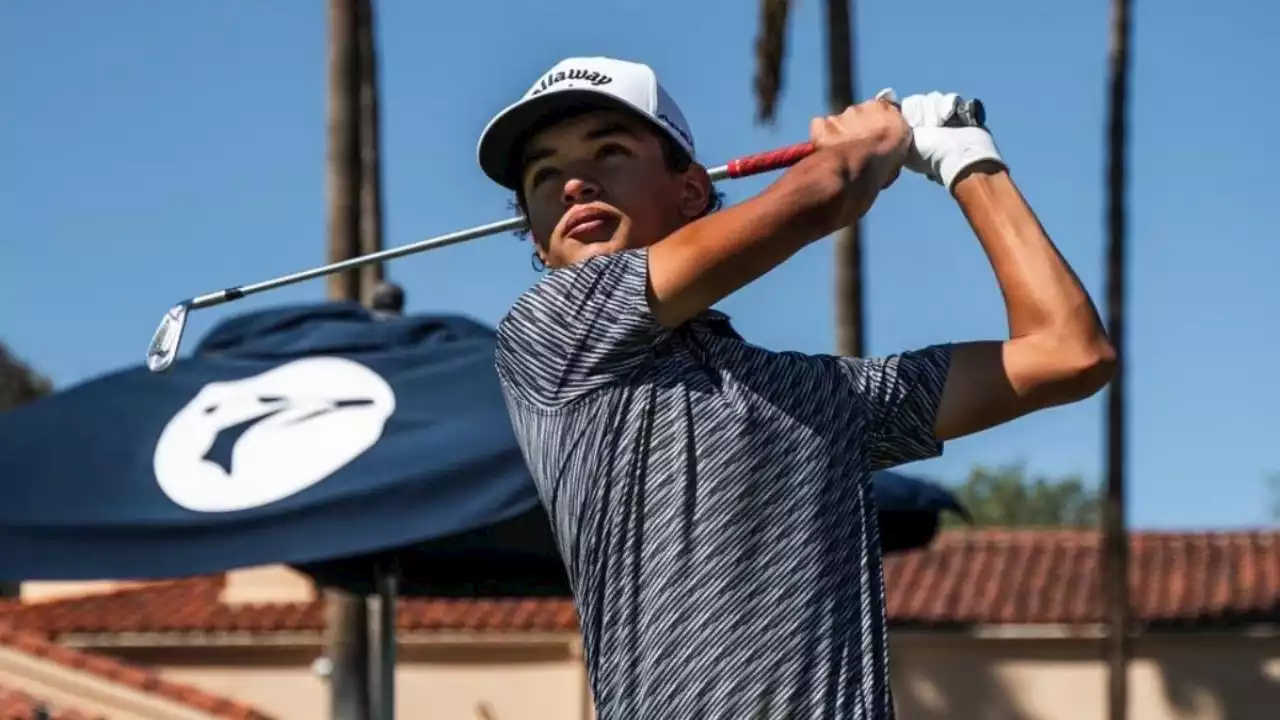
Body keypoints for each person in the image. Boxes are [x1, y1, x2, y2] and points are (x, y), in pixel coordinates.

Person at [476, 56, 1115, 719]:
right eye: (545, 174)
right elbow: (828, 189)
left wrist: (967, 158)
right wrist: (862, 147)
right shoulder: (547, 332)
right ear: (540, 244)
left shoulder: (820, 400)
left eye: (610, 152)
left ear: (692, 192)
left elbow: (1069, 353)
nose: (575, 183)